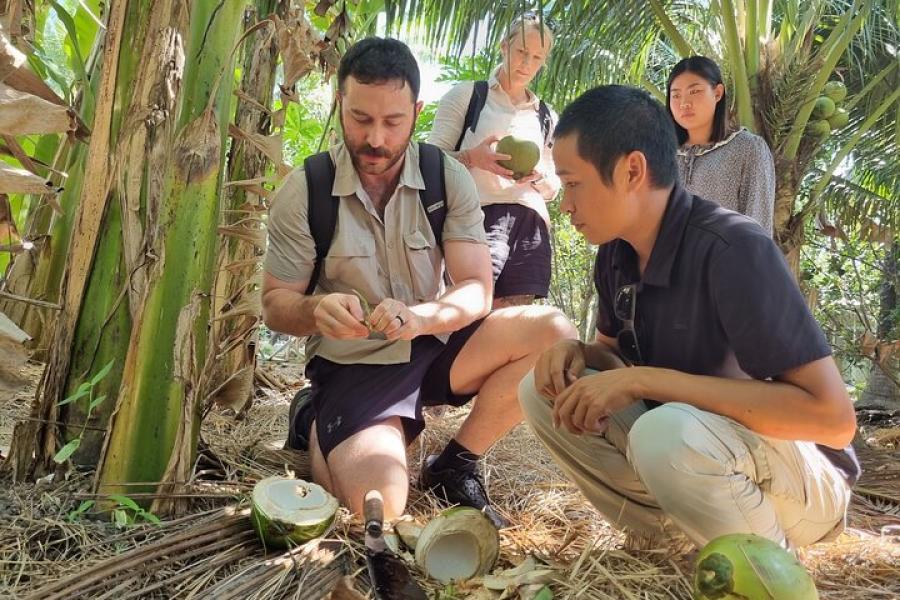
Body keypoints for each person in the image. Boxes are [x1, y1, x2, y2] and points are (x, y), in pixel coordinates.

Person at [518, 85, 860, 551]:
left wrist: (647, 382)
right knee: (543, 390)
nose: (566, 204)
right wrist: (575, 352)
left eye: (573, 183)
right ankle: (669, 537)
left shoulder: (733, 249)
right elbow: (614, 361)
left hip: (803, 483)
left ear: (631, 170)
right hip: (693, 452)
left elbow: (834, 421)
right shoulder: (614, 254)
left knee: (666, 432)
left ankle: (763, 569)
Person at [262, 37, 577, 526]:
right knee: (383, 504)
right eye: (361, 119)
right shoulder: (306, 189)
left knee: (554, 332)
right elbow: (276, 303)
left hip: (433, 345)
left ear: (417, 110)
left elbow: (476, 287)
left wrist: (421, 316)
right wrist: (311, 311)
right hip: (356, 364)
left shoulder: (445, 177)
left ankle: (456, 462)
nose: (376, 140)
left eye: (393, 122)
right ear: (339, 103)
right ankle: (316, 417)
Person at [428, 13, 560, 308]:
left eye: (537, 57)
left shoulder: (547, 116)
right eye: (522, 52)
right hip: (476, 216)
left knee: (516, 322)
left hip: (532, 224)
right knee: (470, 312)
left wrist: (538, 176)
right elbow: (429, 161)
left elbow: (554, 187)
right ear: (504, 47)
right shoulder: (467, 96)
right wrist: (473, 158)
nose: (527, 63)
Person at [667, 56, 776, 235]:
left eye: (694, 92)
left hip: (727, 262)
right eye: (676, 95)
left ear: (717, 93)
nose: (684, 103)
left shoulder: (748, 148)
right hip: (666, 262)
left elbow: (759, 227)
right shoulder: (661, 154)